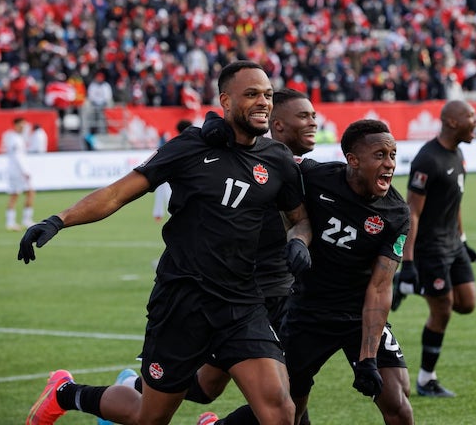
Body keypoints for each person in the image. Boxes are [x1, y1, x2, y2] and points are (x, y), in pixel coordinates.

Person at [18, 60, 312, 425]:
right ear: (225, 100)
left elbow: (300, 220)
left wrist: (299, 242)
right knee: (149, 418)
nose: (263, 102)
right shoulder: (190, 146)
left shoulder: (278, 159)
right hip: (182, 301)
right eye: (251, 94)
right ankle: (65, 393)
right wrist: (58, 220)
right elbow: (117, 193)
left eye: (267, 94)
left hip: (242, 301)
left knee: (280, 411)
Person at [104, 88, 318, 425]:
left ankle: (144, 391)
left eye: (314, 116)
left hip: (275, 297)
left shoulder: (311, 173)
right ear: (276, 125)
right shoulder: (227, 159)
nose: (313, 123)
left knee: (278, 403)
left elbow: (307, 219)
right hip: (230, 296)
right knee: (207, 390)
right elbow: (122, 192)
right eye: (304, 117)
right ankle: (104, 390)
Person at [201, 119, 414, 425]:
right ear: (352, 160)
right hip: (307, 314)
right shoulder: (315, 175)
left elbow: (380, 288)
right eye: (380, 155)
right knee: (289, 411)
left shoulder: (396, 212)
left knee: (397, 403)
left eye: (392, 155)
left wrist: (368, 358)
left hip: (359, 315)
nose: (389, 164)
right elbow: (268, 158)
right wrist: (220, 131)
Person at [391, 100, 476, 398]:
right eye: (470, 117)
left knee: (466, 303)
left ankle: (408, 289)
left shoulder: (458, 154)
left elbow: (456, 202)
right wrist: (408, 262)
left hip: (453, 245)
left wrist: (464, 241)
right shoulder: (427, 159)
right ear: (452, 122)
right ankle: (427, 379)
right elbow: (411, 212)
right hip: (430, 249)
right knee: (442, 309)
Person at [151, 119, 192, 222]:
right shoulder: (191, 142)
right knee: (172, 192)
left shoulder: (173, 141)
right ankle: (168, 214)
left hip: (164, 169)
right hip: (178, 172)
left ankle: (158, 214)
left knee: (162, 191)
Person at [5, 117, 35, 231]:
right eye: (22, 125)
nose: (24, 127)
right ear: (16, 125)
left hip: (16, 171)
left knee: (21, 194)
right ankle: (22, 220)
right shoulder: (15, 139)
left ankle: (14, 222)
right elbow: (18, 157)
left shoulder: (17, 138)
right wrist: (25, 171)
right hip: (18, 172)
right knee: (23, 194)